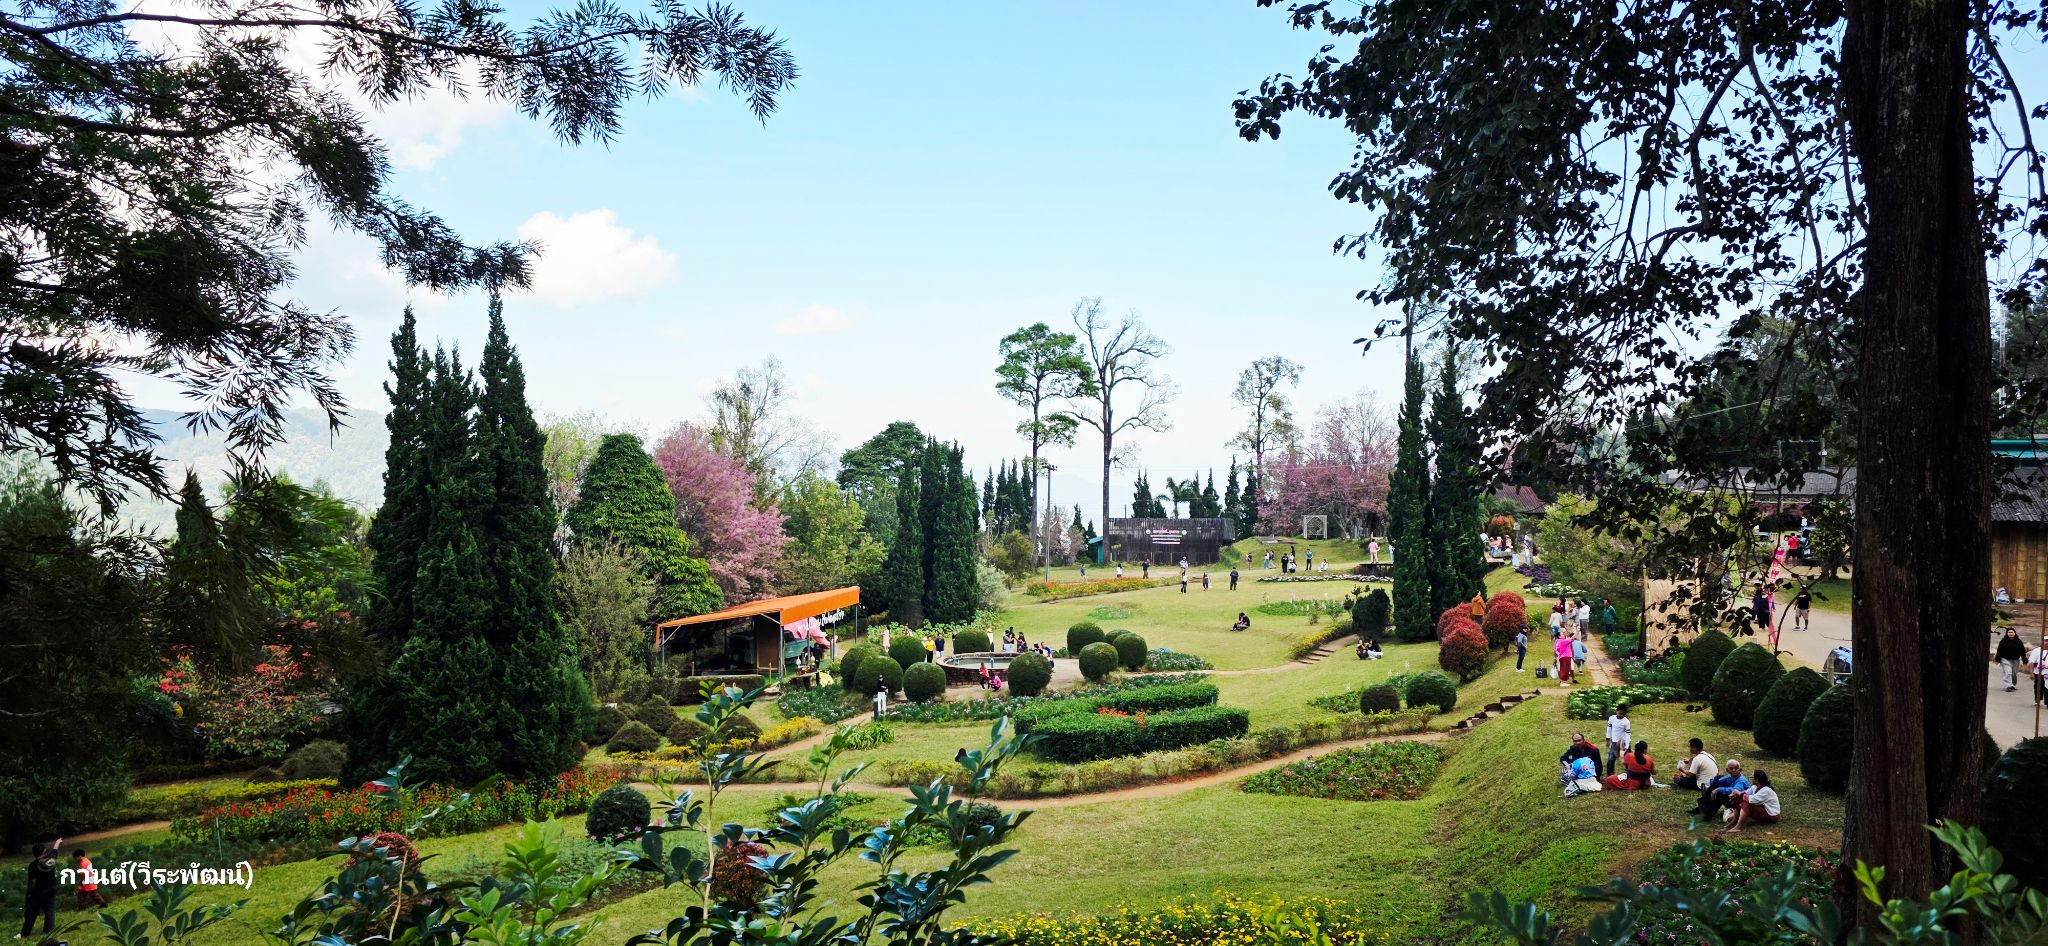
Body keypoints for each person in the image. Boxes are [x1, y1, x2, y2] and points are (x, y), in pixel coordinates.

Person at [18, 839, 59, 940]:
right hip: (51, 890)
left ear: (34, 854)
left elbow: (32, 882)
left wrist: (29, 893)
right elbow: (55, 850)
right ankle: (49, 932)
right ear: (44, 851)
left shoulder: (33, 865)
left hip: (38, 893)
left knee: (31, 913)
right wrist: (57, 842)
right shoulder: (51, 859)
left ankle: (24, 934)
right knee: (50, 911)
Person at [1604, 704, 1632, 775]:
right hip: (1614, 742)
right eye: (1620, 713)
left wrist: (1627, 746)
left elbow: (1627, 734)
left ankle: (1629, 774)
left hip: (1623, 742)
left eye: (1623, 714)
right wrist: (1608, 739)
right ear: (1616, 711)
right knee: (1611, 759)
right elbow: (1609, 729)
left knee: (1627, 759)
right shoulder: (1611, 718)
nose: (1621, 715)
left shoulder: (1626, 722)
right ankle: (1610, 775)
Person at [1997, 627, 2027, 692]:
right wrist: (1998, 658)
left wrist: (2024, 659)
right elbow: (1999, 650)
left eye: (2012, 632)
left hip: (2016, 660)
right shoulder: (2003, 641)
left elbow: (2022, 651)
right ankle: (2008, 686)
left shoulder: (2019, 641)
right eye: (2009, 632)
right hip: (2005, 659)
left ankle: (2012, 685)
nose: (2010, 633)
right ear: (2007, 633)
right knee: (2008, 672)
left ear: (2014, 633)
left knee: (2014, 673)